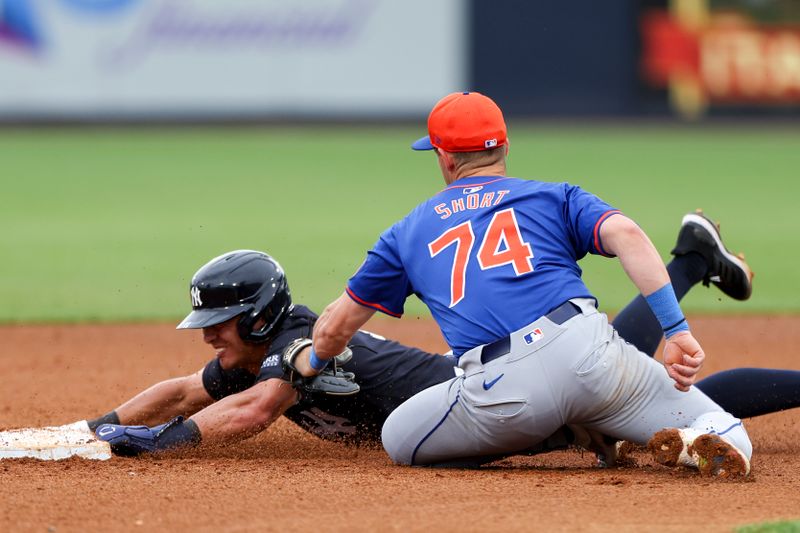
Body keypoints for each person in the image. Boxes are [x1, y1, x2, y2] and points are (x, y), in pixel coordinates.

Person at [300, 92, 756, 478]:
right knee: (722, 427)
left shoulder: (406, 232)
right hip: (590, 354)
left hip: (504, 392)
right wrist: (675, 330)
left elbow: (335, 327)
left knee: (399, 437)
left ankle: (562, 434)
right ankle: (693, 440)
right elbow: (628, 236)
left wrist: (314, 361)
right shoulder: (555, 196)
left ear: (444, 157)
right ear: (505, 147)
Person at [92, 224, 799, 467]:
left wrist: (165, 443)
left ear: (257, 318)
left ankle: (688, 263)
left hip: (491, 404)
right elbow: (182, 389)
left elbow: (248, 415)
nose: (210, 338)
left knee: (637, 392)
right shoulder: (248, 351)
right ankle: (691, 260)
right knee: (619, 364)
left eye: (219, 322)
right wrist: (100, 428)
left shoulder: (304, 345)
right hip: (483, 402)